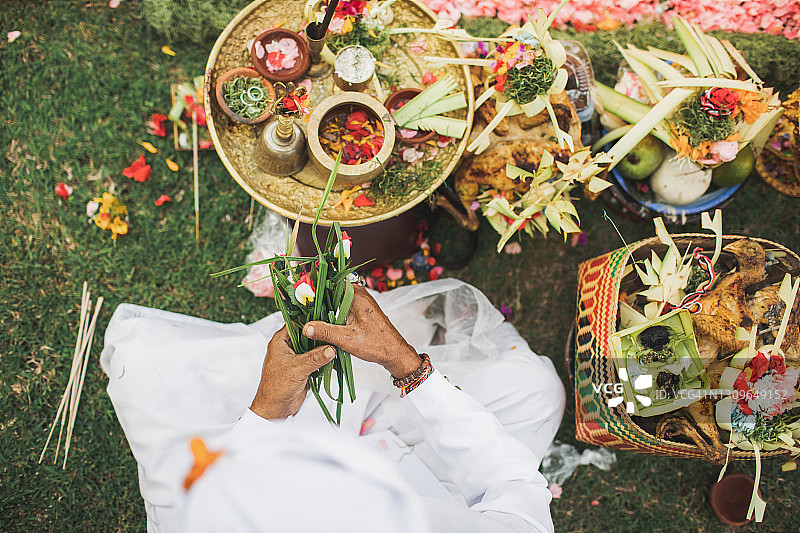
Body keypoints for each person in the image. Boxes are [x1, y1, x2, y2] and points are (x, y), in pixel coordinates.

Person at [101, 279, 565, 532]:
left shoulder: (221, 514)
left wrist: (266, 414)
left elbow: (205, 501)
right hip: (426, 479)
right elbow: (515, 496)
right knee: (537, 392)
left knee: (146, 366)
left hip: (260, 468)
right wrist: (406, 366)